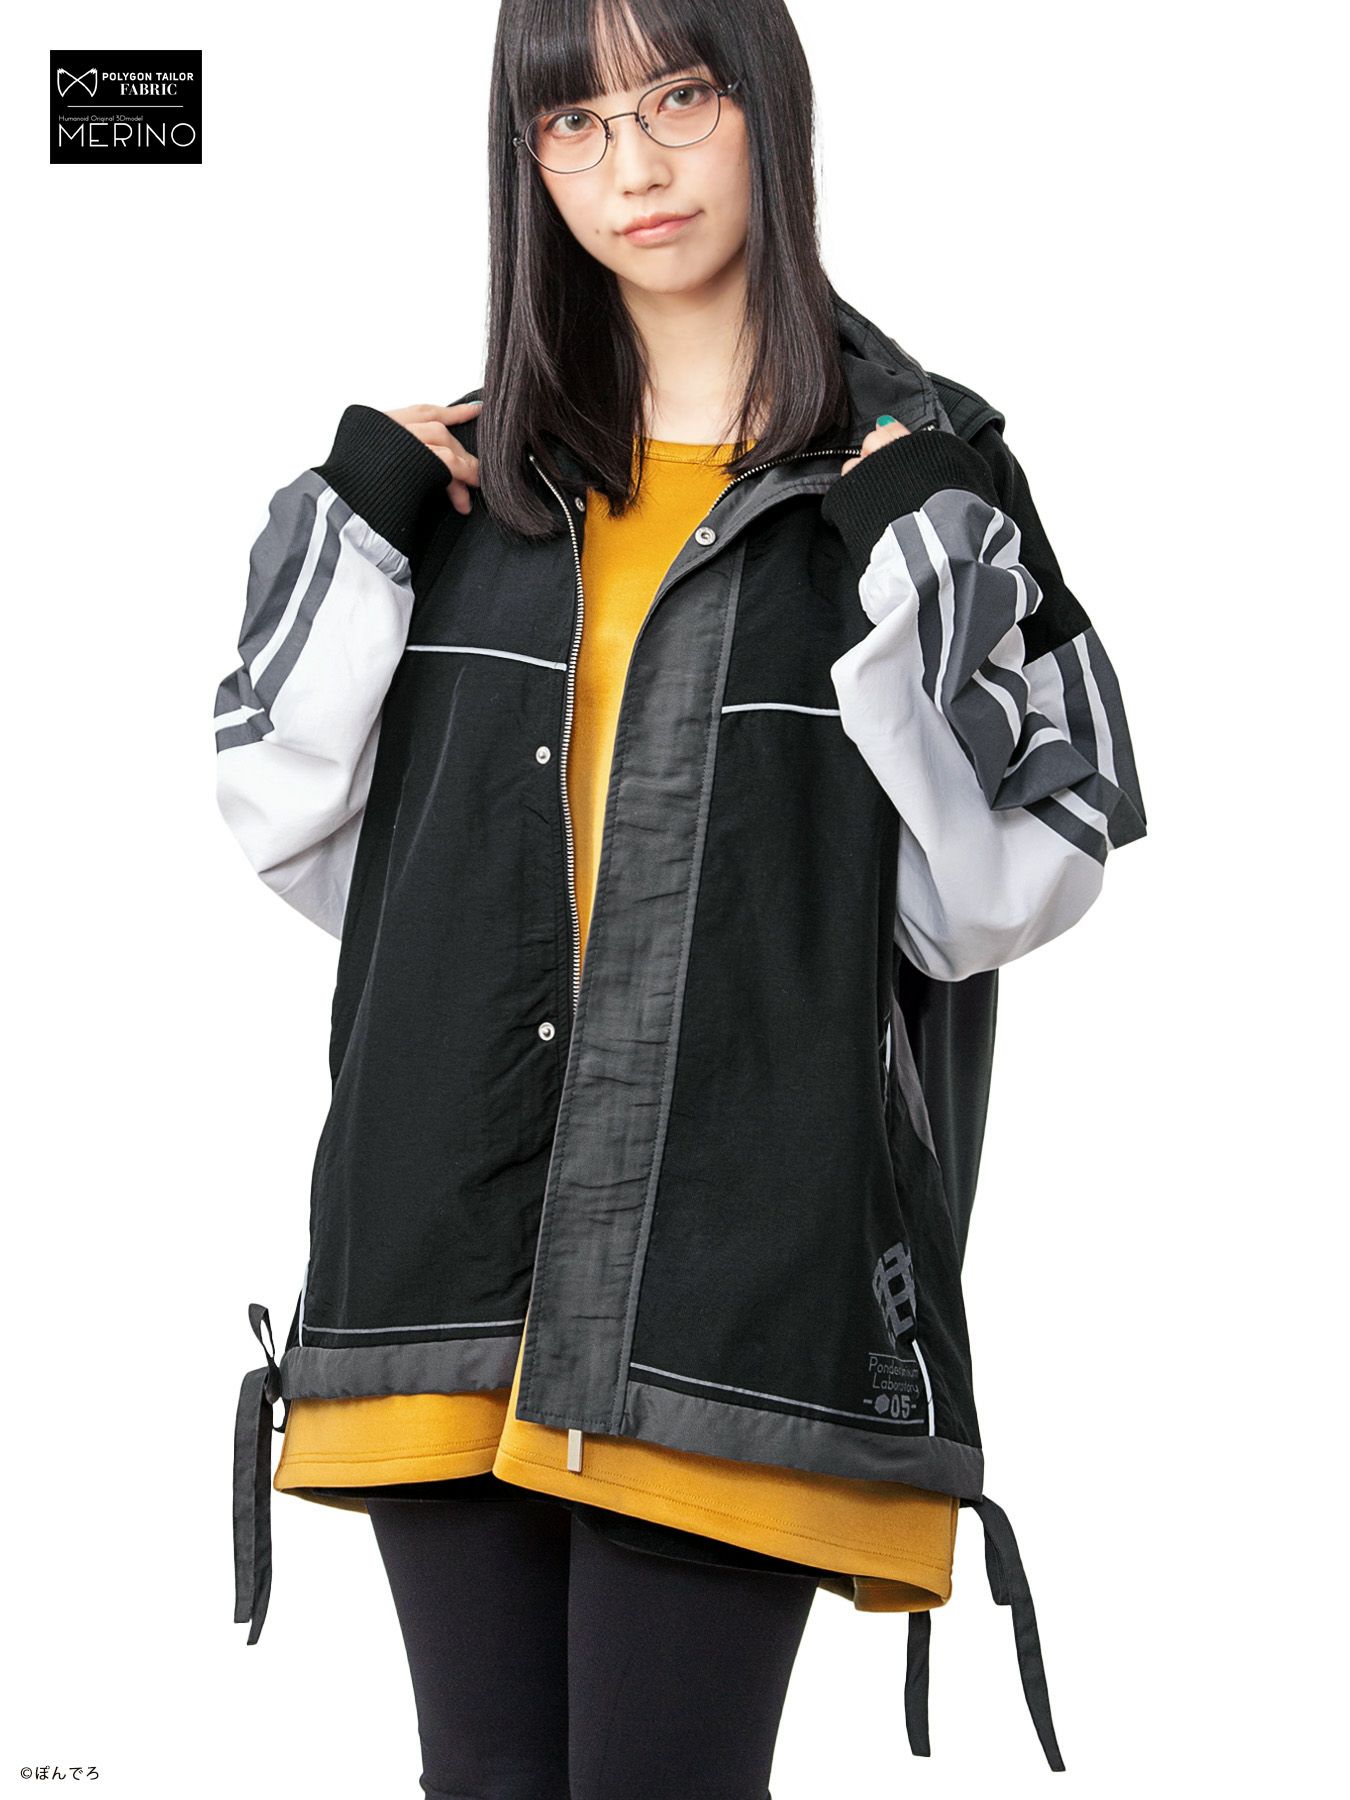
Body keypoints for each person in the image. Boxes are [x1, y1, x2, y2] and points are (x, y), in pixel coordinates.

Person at [215, 1, 1148, 1794]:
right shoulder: (459, 487)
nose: (629, 167)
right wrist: (358, 513)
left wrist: (920, 558)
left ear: (763, 106)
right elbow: (323, 851)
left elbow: (997, 891)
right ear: (527, 158)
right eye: (571, 124)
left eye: (677, 98)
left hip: (741, 1283)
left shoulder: (920, 477)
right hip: (448, 1265)